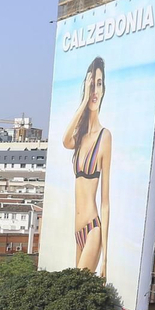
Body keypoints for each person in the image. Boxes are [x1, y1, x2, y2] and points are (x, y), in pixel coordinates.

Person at [63, 55, 112, 278]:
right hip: (77, 230)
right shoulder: (80, 136)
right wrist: (83, 102)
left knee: (78, 286)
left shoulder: (105, 137)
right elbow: (65, 141)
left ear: (103, 89)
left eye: (98, 84)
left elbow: (105, 202)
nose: (95, 90)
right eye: (91, 84)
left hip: (93, 228)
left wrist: (106, 258)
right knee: (76, 293)